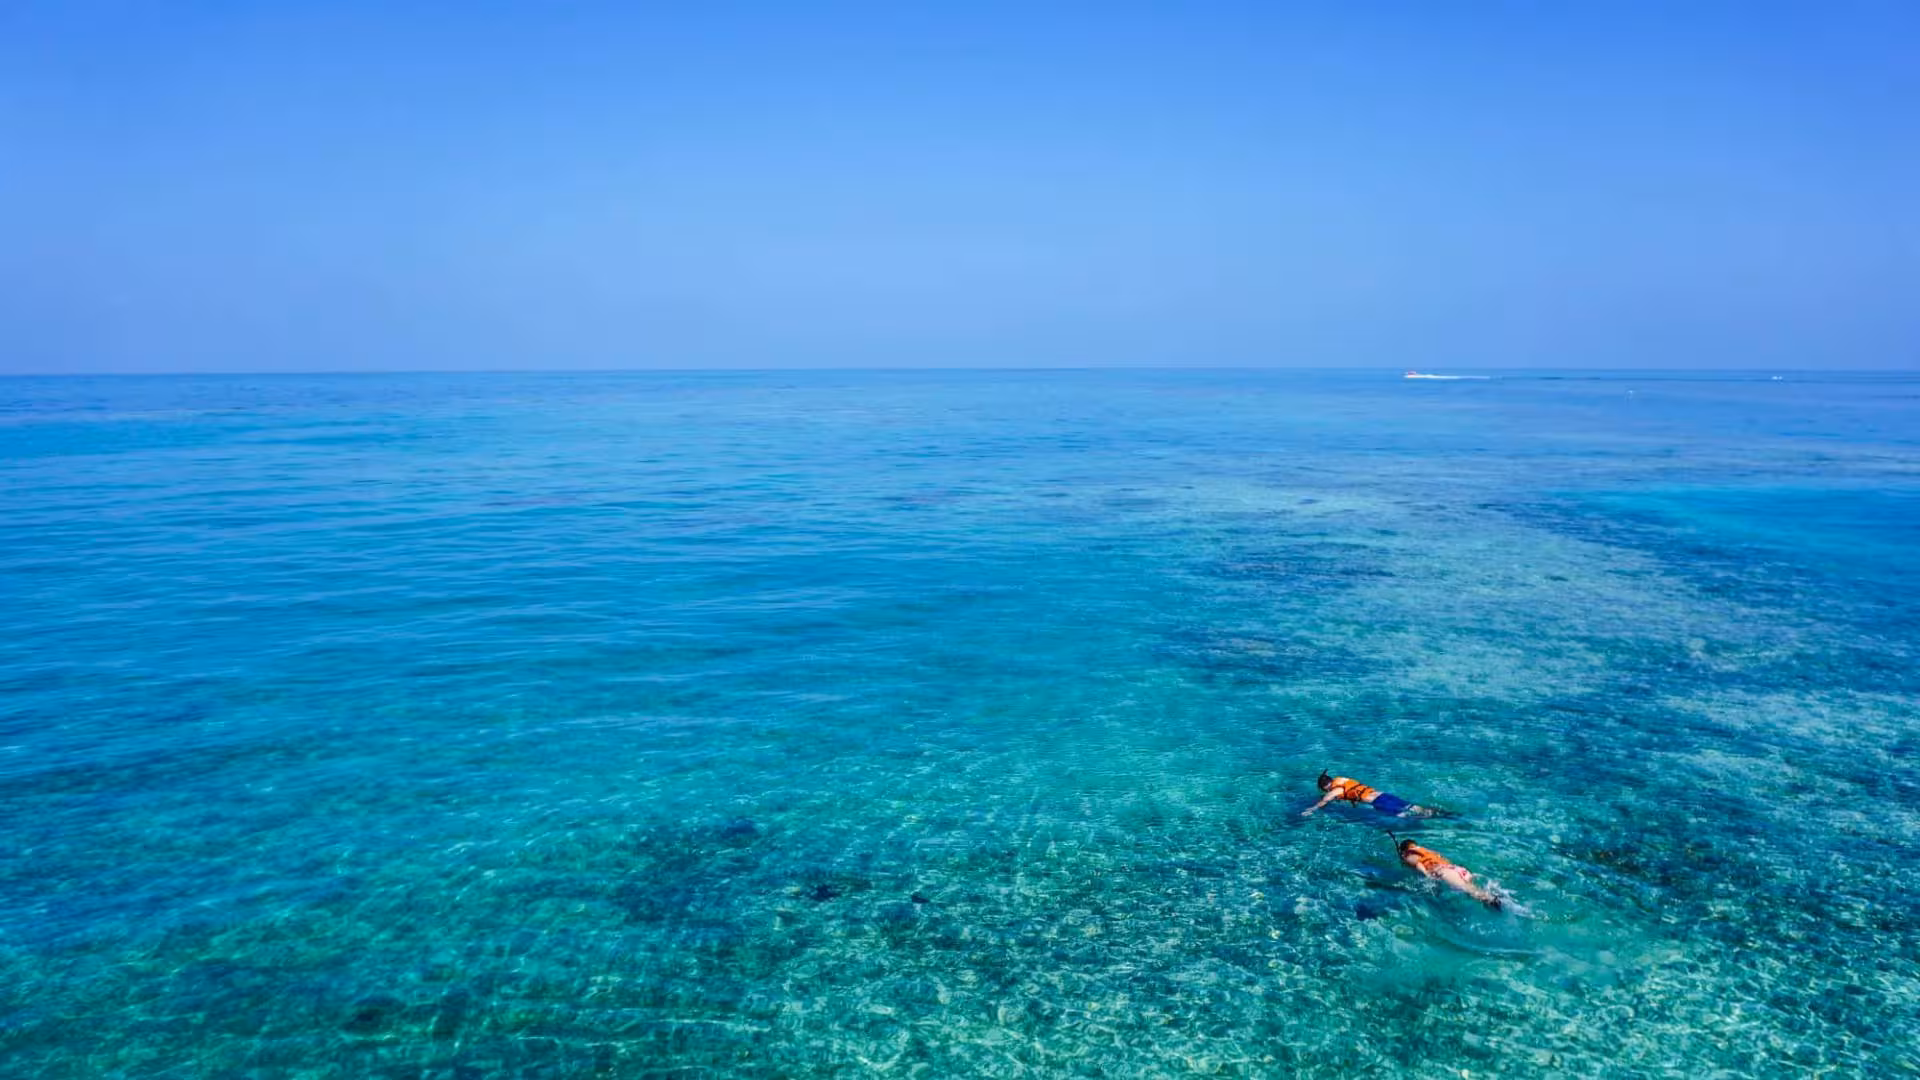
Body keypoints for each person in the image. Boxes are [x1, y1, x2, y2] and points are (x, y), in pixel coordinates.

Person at [1394, 835, 1503, 910]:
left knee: (1470, 891)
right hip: (1458, 870)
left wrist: (1427, 876)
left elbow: (1417, 864)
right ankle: (1493, 898)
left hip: (1444, 871)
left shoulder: (1409, 853)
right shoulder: (1428, 851)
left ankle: (1493, 900)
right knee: (1471, 889)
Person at [1300, 771, 1435, 818]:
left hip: (1378, 802)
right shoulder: (1342, 780)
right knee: (1412, 807)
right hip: (1383, 795)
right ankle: (1437, 813)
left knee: (1402, 816)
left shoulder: (1335, 790)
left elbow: (1325, 800)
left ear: (1325, 787)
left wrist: (1311, 809)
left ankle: (1429, 821)